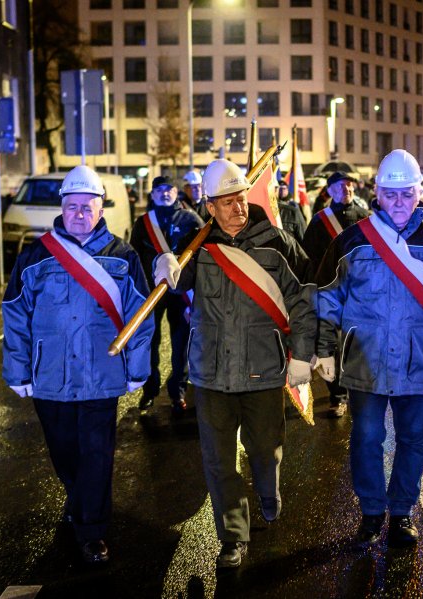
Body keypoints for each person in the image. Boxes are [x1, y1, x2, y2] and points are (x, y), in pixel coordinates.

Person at [314, 149, 423, 547]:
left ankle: (402, 513)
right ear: (378, 193)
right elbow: (325, 298)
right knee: (366, 439)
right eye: (392, 195)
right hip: (365, 363)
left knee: (413, 441)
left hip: (417, 364)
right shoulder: (352, 242)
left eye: (407, 194)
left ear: (419, 191)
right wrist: (322, 348)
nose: (400, 203)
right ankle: (372, 514)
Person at [154, 159, 315, 569]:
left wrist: (306, 354)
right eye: (226, 203)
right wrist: (164, 264)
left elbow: (305, 299)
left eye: (240, 199)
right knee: (219, 461)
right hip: (210, 373)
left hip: (263, 369)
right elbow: (173, 283)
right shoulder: (198, 245)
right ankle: (233, 537)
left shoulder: (277, 243)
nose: (237, 209)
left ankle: (267, 490)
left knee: (266, 449)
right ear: (210, 206)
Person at [2, 165, 154, 564]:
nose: (80, 214)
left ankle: (91, 530)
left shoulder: (123, 255)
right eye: (73, 206)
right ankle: (80, 500)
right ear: (62, 208)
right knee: (64, 451)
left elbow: (142, 314)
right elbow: (15, 314)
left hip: (101, 377)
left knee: (96, 454)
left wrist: (138, 367)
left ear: (101, 209)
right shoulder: (36, 255)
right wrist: (17, 370)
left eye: (88, 206)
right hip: (49, 377)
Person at [130, 175, 204, 413]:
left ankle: (178, 392)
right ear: (152, 195)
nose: (164, 193)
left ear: (176, 192)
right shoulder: (143, 223)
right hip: (152, 293)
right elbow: (135, 259)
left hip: (181, 292)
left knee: (181, 343)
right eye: (159, 189)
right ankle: (150, 391)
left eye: (169, 189)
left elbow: (204, 253)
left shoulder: (191, 219)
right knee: (150, 341)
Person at [301, 171, 370, 418]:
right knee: (334, 348)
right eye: (341, 186)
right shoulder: (320, 222)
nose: (347, 190)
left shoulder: (365, 218)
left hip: (360, 295)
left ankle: (358, 392)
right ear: (329, 191)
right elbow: (308, 259)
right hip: (330, 295)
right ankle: (338, 396)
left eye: (350, 186)